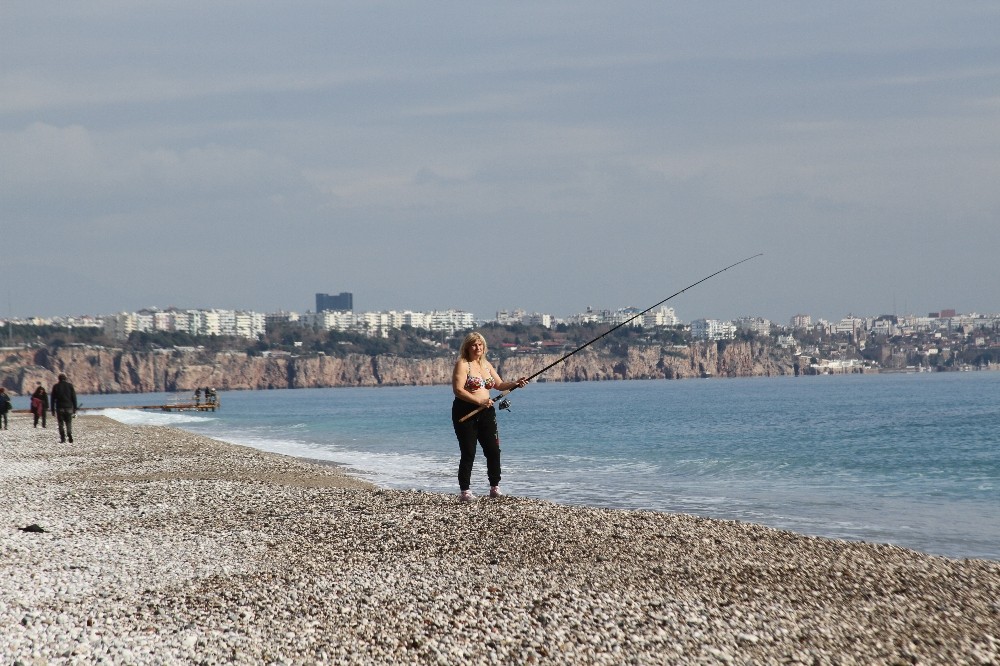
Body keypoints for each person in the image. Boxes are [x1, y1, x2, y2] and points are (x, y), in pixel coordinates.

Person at [451, 332, 528, 502]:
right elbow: (458, 390)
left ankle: (494, 487)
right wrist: (478, 400)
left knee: (493, 450)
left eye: (480, 344)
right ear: (467, 347)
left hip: (486, 411)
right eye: (474, 345)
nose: (478, 348)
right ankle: (465, 491)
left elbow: (499, 385)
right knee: (468, 452)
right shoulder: (462, 364)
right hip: (465, 411)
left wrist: (516, 383)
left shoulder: (486, 365)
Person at [50, 373, 79, 443]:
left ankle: (63, 438)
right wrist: (75, 408)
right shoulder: (70, 386)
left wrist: (53, 410)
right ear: (65, 378)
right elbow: (74, 398)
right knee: (68, 422)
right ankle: (69, 433)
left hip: (59, 408)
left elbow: (52, 399)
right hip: (69, 407)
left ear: (59, 379)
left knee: (60, 424)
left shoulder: (56, 386)